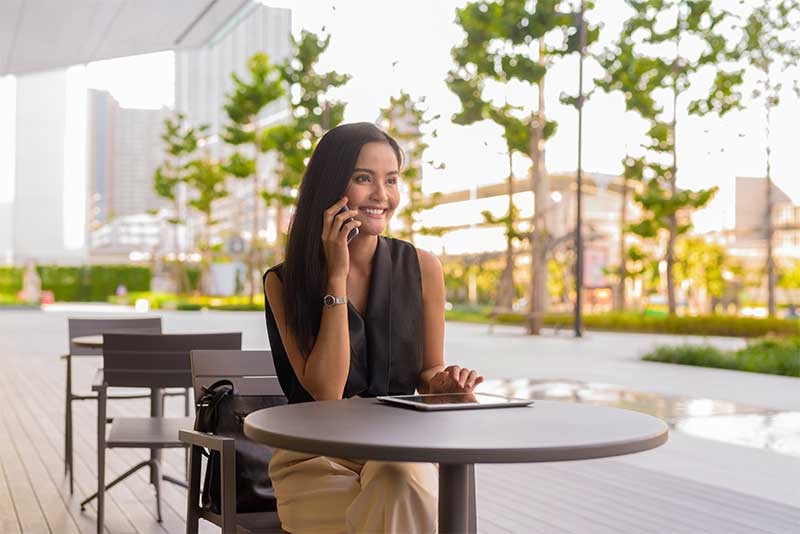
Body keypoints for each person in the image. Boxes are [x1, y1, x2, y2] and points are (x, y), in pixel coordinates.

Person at [263, 122, 483, 533]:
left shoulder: (422, 268)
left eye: (392, 180)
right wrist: (336, 278)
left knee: (398, 481)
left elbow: (428, 370)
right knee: (402, 506)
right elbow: (326, 391)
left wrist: (444, 385)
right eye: (364, 178)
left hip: (396, 450)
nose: (382, 195)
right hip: (314, 459)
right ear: (331, 185)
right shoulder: (284, 282)